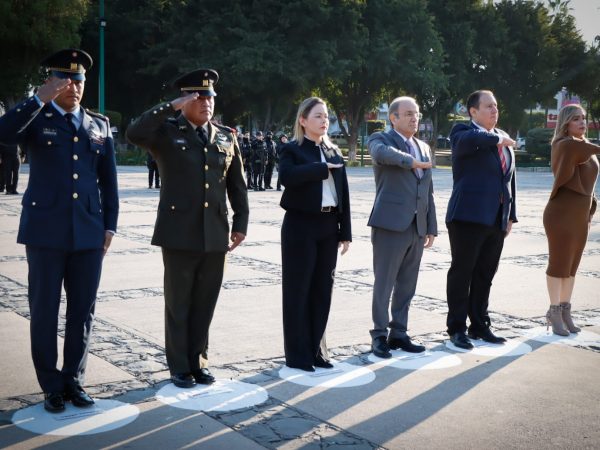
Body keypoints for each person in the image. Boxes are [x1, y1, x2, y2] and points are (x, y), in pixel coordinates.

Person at [0, 48, 119, 412]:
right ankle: (50, 385)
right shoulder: (36, 116)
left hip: (88, 231)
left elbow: (108, 182)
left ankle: (73, 380)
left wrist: (110, 226)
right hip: (45, 231)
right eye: (66, 80)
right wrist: (37, 98)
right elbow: (3, 133)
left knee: (83, 310)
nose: (74, 87)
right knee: (45, 309)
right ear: (52, 82)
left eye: (79, 80)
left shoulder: (98, 124)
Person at [126, 68, 249, 388]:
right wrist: (172, 106)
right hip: (179, 232)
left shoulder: (225, 135)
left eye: (210, 96)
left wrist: (241, 224)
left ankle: (199, 361)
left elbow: (237, 185)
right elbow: (134, 133)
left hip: (215, 232)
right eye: (198, 96)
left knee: (205, 302)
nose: (207, 102)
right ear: (185, 99)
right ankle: (180, 366)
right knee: (179, 302)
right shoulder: (166, 132)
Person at [279, 97, 351, 372]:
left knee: (323, 291)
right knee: (299, 291)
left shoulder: (334, 152)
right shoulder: (292, 149)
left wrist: (345, 231)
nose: (324, 121)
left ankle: (317, 351)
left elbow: (342, 193)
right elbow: (287, 177)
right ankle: (298, 355)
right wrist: (321, 170)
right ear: (303, 120)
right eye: (318, 116)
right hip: (300, 226)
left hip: (328, 225)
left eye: (326, 117)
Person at [445, 89, 517, 350]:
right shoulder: (462, 132)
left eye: (496, 106)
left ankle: (479, 325)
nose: (494, 111)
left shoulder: (502, 140)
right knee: (462, 272)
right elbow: (470, 141)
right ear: (472, 111)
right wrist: (496, 138)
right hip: (467, 216)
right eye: (488, 106)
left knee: (485, 274)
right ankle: (456, 328)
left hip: (496, 219)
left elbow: (509, 180)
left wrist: (511, 214)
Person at [367, 96, 437, 358]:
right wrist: (411, 161)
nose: (414, 118)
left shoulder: (424, 147)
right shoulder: (381, 139)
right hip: (389, 225)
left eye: (416, 113)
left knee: (407, 284)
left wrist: (430, 226)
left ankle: (399, 333)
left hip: (416, 227)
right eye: (408, 113)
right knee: (384, 283)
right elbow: (381, 155)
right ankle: (379, 335)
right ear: (393, 118)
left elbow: (427, 191)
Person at [543, 104, 599, 335]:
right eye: (576, 119)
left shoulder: (583, 147)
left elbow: (588, 179)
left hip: (579, 215)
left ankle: (566, 310)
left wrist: (591, 206)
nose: (582, 122)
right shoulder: (564, 145)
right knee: (559, 263)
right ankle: (554, 311)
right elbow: (585, 150)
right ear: (566, 123)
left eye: (583, 118)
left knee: (572, 266)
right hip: (561, 213)